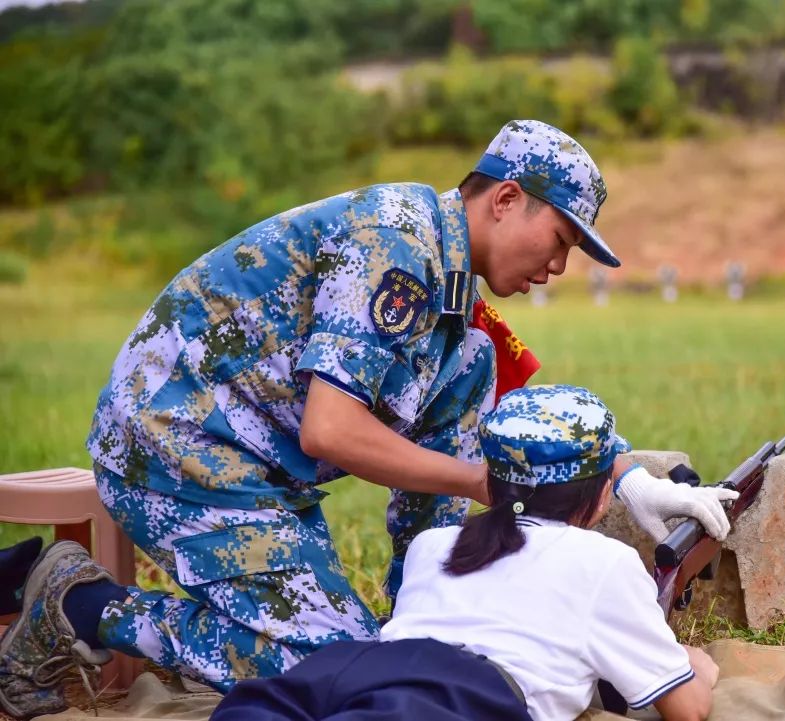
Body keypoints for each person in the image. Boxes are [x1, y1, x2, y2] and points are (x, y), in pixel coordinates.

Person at [0, 120, 737, 719]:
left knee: (471, 370)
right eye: (561, 241)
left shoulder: (449, 282)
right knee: (330, 664)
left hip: (252, 462)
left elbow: (521, 419)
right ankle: (77, 601)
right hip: (174, 448)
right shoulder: (397, 245)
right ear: (507, 200)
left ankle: (428, 621)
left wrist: (629, 475)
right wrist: (478, 480)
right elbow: (331, 429)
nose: (559, 268)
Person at [210, 385, 731, 721]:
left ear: (492, 479)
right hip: (465, 696)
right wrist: (696, 665)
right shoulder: (607, 562)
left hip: (351, 667)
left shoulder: (435, 543)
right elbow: (686, 708)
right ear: (598, 496)